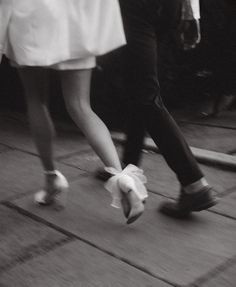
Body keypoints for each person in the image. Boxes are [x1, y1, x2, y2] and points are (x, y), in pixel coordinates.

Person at [0, 0, 148, 224]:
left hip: (31, 18)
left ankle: (51, 179)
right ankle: (123, 179)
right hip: (75, 22)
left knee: (36, 100)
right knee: (80, 105)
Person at [98, 0, 219, 218]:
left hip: (136, 7)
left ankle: (194, 184)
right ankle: (128, 167)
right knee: (139, 87)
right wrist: (192, 11)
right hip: (167, 6)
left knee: (144, 94)